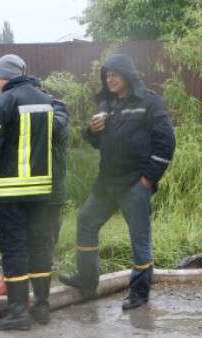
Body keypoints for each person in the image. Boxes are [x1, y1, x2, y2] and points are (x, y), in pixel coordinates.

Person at [60, 54, 175, 310]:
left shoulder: (150, 102)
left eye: (115, 75)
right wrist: (93, 131)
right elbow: (99, 142)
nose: (110, 79)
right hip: (107, 182)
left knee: (139, 239)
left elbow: (166, 143)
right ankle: (88, 281)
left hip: (135, 183)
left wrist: (148, 179)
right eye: (107, 75)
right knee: (86, 221)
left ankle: (139, 293)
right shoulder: (109, 105)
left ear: (127, 75)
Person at [0, 55, 59, 331]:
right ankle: (43, 307)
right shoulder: (46, 101)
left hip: (8, 191)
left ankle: (18, 313)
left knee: (14, 250)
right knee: (39, 247)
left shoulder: (2, 103)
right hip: (41, 190)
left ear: (4, 77)